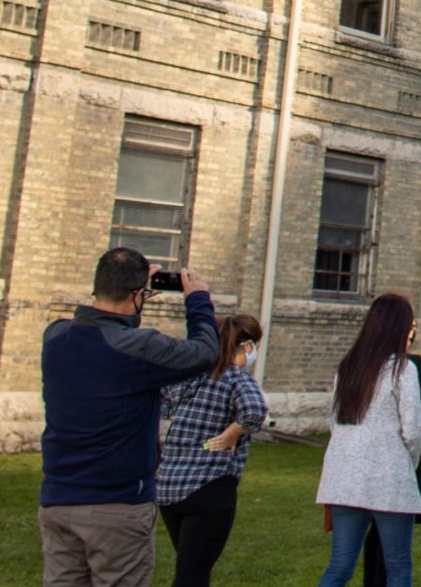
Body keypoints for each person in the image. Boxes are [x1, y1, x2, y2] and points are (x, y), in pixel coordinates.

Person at [40, 248, 218, 587]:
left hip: (57, 500)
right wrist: (198, 301)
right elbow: (205, 352)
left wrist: (126, 282)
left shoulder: (56, 337)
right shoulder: (135, 348)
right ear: (138, 295)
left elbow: (91, 322)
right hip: (116, 506)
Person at [314, 293, 421, 587]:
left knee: (340, 566)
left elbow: (333, 420)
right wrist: (408, 463)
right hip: (388, 475)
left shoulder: (348, 368)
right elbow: (413, 428)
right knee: (398, 567)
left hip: (344, 475)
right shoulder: (403, 369)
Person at [156, 312, 268, 587]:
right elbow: (255, 410)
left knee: (191, 567)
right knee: (191, 575)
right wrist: (231, 434)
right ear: (247, 346)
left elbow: (163, 406)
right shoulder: (236, 379)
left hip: (170, 487)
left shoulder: (188, 376)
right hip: (209, 485)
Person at [364, 349, 421, 587]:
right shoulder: (411, 366)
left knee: (373, 536)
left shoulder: (363, 365)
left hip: (370, 455)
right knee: (395, 549)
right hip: (402, 457)